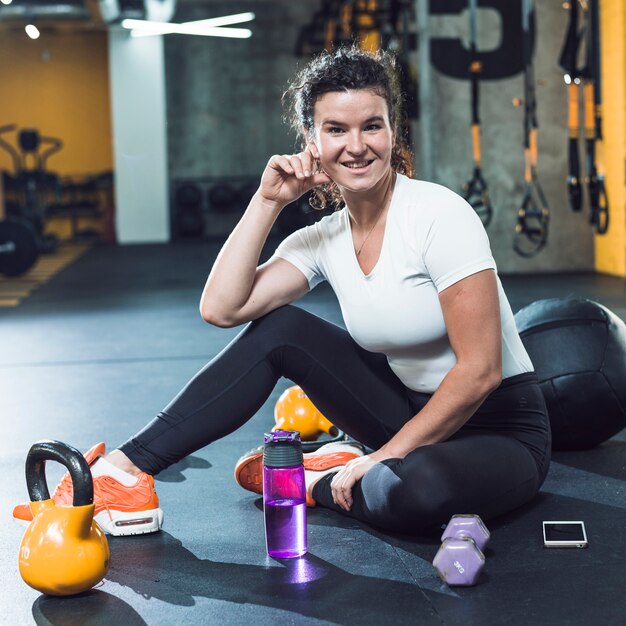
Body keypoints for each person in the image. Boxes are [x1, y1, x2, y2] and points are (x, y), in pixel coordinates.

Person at [14, 46, 551, 537]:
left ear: (394, 133)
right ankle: (123, 472)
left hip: (498, 428)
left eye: (373, 126)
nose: (357, 146)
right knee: (282, 329)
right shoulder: (324, 238)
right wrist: (268, 201)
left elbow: (480, 370)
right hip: (405, 411)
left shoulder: (439, 215)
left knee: (418, 487)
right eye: (336, 129)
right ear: (312, 143)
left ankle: (313, 480)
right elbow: (221, 308)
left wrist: (383, 456)